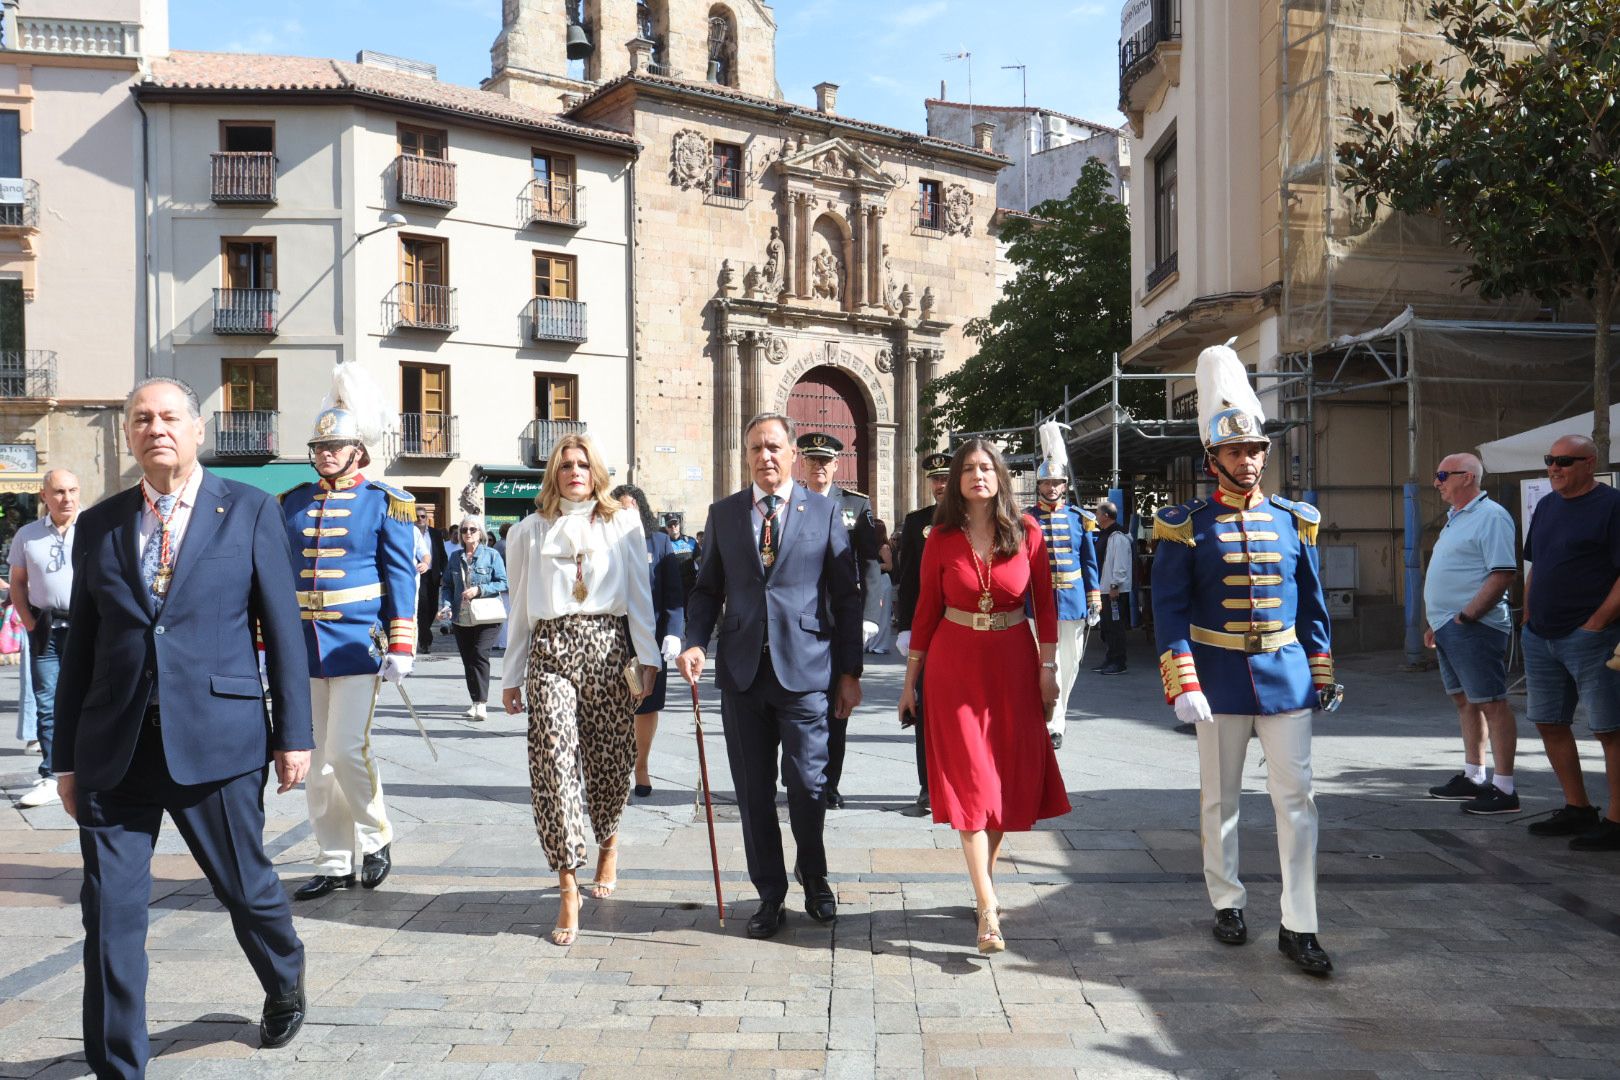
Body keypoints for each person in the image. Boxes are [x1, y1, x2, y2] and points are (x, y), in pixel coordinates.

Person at [54, 377, 313, 1074]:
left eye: (170, 416)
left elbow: (282, 632)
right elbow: (80, 646)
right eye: (142, 418)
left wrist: (294, 735)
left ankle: (284, 971)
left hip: (218, 742)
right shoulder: (102, 524)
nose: (156, 427)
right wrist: (64, 760)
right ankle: (119, 1066)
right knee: (109, 916)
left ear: (198, 432)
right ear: (130, 436)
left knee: (245, 887)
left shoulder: (251, 511)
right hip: (115, 750)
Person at [1151, 345, 1337, 974]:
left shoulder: (1295, 520)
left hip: (1285, 676)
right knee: (1220, 799)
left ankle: (1299, 924)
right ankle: (1226, 901)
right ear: (1213, 460)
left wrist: (1321, 672)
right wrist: (1182, 679)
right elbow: (1170, 611)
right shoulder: (1185, 524)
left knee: (1298, 801)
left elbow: (1312, 606)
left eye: (1257, 450)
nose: (1250, 461)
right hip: (1219, 677)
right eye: (1236, 452)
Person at [678, 412, 863, 939]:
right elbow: (706, 589)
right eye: (756, 447)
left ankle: (815, 874)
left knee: (808, 784)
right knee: (752, 792)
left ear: (792, 453)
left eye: (775, 447)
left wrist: (850, 671)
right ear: (747, 454)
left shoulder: (823, 513)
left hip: (806, 671)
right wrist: (694, 641)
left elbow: (846, 599)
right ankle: (770, 893)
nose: (765, 456)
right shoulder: (725, 514)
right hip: (741, 673)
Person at [898, 439, 1069, 953]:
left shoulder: (1029, 531)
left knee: (999, 784)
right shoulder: (941, 538)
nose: (978, 475)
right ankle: (989, 907)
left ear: (1000, 477)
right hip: (955, 666)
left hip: (1014, 664)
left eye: (986, 467)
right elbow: (925, 609)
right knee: (972, 781)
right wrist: (910, 682)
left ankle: (981, 888)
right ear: (955, 480)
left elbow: (1047, 606)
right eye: (968, 468)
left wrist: (1048, 669)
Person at [503, 435, 661, 945]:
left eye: (583, 464)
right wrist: (511, 675)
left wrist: (649, 657)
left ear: (596, 472)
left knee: (610, 761)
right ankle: (567, 880)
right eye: (566, 465)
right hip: (551, 649)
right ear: (554, 473)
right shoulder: (528, 531)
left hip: (609, 648)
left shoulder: (623, 523)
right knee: (552, 759)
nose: (575, 472)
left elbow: (639, 594)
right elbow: (520, 607)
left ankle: (608, 843)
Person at [281, 362, 419, 901]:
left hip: (359, 642)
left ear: (357, 450)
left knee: (344, 749)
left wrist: (402, 642)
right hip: (303, 645)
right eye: (319, 448)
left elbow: (400, 576)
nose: (324, 455)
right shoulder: (291, 502)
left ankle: (377, 835)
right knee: (315, 764)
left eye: (334, 446)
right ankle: (335, 859)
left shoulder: (384, 501)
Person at [1521, 434, 1620, 850]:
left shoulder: (1612, 506)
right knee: (1548, 721)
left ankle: (1617, 820)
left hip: (1590, 637)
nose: (1554, 468)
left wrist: (1596, 623)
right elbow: (1537, 565)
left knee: (1610, 729)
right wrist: (1527, 617)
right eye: (1550, 460)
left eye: (1564, 460)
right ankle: (1577, 807)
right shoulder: (1546, 505)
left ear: (1590, 463)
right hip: (1540, 635)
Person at [1422, 452, 1521, 814]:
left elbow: (1502, 572)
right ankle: (1474, 776)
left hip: (1474, 626)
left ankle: (1505, 788)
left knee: (1492, 703)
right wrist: (1439, 622)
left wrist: (1468, 615)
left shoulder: (1490, 516)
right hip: (1452, 626)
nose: (1437, 482)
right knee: (1465, 701)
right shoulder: (1455, 518)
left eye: (1443, 474)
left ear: (1467, 477)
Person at [797, 431, 880, 808]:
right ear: (804, 465)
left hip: (839, 618)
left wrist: (870, 615)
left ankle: (829, 784)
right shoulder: (790, 502)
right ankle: (800, 776)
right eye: (812, 461)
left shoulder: (854, 505)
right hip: (799, 618)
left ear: (836, 465)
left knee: (837, 708)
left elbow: (870, 563)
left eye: (825, 462)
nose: (819, 468)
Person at [1025, 423, 1101, 749]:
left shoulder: (1079, 518)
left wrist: (1094, 598)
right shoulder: (1025, 519)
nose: (1052, 487)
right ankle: (1047, 722)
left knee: (1069, 664)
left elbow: (1090, 562)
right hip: (1035, 602)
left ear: (1064, 485)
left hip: (1072, 601)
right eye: (1046, 482)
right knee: (1041, 663)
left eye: (1057, 482)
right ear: (1039, 485)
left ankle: (1058, 718)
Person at [8, 468, 80, 808]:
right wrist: (28, 621)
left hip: (84, 627)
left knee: (90, 698)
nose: (67, 498)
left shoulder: (94, 529)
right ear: (44, 497)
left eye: (72, 491)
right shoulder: (27, 534)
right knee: (48, 703)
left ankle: (90, 767)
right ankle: (52, 774)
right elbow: (18, 582)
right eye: (59, 492)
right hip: (45, 629)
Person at [610, 483, 685, 798]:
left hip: (649, 639)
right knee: (614, 704)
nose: (626, 511)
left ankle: (641, 764)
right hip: (612, 637)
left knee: (646, 703)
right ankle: (615, 765)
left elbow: (673, 594)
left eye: (631, 505)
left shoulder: (659, 542)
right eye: (619, 507)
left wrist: (674, 632)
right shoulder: (605, 542)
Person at [894, 451, 952, 816]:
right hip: (929, 629)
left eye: (945, 478)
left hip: (966, 626)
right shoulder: (917, 523)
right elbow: (908, 580)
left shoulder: (972, 517)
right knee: (925, 707)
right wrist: (905, 627)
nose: (940, 485)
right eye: (935, 480)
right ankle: (927, 787)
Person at [440, 513, 509, 720]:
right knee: (468, 659)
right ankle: (474, 701)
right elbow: (447, 586)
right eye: (464, 530)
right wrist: (445, 605)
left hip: (487, 615)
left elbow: (503, 582)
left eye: (472, 529)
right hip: (461, 616)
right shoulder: (455, 557)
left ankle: (482, 703)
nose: (467, 533)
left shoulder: (491, 555)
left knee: (479, 654)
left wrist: (479, 589)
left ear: (480, 533)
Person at [1094, 500, 1133, 675]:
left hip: (1114, 589)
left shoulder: (1118, 536)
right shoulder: (1106, 534)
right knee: (1107, 626)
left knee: (1116, 627)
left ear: (1106, 516)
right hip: (1105, 587)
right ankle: (1110, 659)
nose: (1096, 516)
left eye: (1097, 513)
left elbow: (1121, 563)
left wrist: (1115, 585)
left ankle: (1119, 662)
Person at [414, 505, 448, 656]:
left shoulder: (435, 534)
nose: (420, 519)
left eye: (423, 516)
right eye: (417, 516)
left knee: (433, 607)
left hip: (433, 576)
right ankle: (425, 640)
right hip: (417, 575)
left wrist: (444, 574)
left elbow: (441, 555)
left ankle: (424, 633)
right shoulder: (410, 533)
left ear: (427, 518)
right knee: (422, 608)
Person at [866, 518, 897, 655]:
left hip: (883, 580)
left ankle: (880, 644)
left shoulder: (884, 547)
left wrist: (873, 567)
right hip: (873, 580)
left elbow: (889, 566)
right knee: (872, 611)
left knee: (883, 612)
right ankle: (870, 643)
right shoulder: (871, 545)